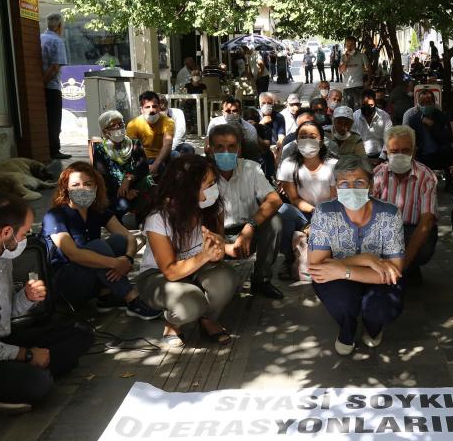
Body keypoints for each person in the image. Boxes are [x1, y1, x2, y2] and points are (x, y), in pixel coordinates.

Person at [0, 196, 93, 412]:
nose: (25, 239)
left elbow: (4, 317)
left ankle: (19, 377)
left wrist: (26, 297)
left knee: (81, 333)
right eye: (24, 233)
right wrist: (26, 354)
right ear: (6, 232)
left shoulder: (2, 257)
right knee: (38, 384)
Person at [136, 155, 241, 346]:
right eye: (208, 184)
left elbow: (216, 246)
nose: (214, 188)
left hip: (198, 267)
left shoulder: (211, 208)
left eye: (213, 182)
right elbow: (170, 271)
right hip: (160, 275)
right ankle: (173, 321)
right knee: (189, 303)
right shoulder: (158, 218)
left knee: (227, 280)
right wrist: (204, 256)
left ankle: (208, 319)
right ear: (187, 189)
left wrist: (218, 251)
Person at [308, 155, 405, 356]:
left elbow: (394, 271)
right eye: (344, 183)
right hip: (346, 276)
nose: (351, 189)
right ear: (335, 188)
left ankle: (373, 327)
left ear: (370, 185)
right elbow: (317, 268)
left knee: (381, 307)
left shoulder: (389, 214)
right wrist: (366, 259)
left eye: (359, 182)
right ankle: (347, 329)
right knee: (342, 300)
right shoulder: (324, 212)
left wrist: (342, 269)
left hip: (365, 277)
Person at [41, 162, 161, 318]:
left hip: (90, 276)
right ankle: (132, 299)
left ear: (96, 187)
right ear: (66, 189)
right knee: (97, 246)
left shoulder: (98, 210)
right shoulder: (55, 216)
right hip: (66, 283)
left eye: (88, 184)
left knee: (119, 241)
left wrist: (127, 258)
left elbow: (129, 237)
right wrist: (115, 264)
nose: (82, 189)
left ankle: (105, 296)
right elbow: (73, 254)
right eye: (76, 185)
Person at [206, 125, 284, 299]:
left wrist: (250, 227)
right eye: (219, 147)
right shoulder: (202, 172)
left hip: (248, 232)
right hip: (213, 233)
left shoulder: (251, 168)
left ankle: (261, 280)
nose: (226, 151)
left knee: (275, 221)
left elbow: (275, 200)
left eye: (232, 146)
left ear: (240, 148)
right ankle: (211, 277)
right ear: (209, 149)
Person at [371, 126, 438, 285]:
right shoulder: (378, 174)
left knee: (425, 242)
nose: (400, 155)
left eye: (405, 150)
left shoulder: (426, 176)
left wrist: (403, 264)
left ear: (414, 151)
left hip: (412, 229)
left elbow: (427, 220)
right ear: (386, 151)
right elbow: (368, 214)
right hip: (384, 229)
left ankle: (409, 265)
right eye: (394, 151)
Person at [276, 120, 338, 278]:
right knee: (283, 211)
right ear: (296, 142)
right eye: (303, 136)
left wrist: (320, 218)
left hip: (332, 213)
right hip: (305, 213)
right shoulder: (288, 165)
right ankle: (289, 260)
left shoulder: (333, 165)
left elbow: (335, 198)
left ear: (321, 141)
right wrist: (312, 213)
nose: (308, 140)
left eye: (313, 136)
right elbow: (294, 199)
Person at [92, 110, 153, 225]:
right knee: (121, 205)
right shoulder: (100, 150)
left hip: (135, 184)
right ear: (105, 131)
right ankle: (116, 226)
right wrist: (125, 191)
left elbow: (143, 167)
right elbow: (103, 177)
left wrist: (128, 180)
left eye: (120, 124)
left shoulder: (134, 144)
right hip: (114, 190)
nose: (118, 127)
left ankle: (145, 225)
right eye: (113, 125)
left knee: (150, 194)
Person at [403, 90, 453, 190]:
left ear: (434, 103)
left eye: (429, 103)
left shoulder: (441, 116)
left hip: (439, 152)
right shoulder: (413, 119)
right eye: (422, 103)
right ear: (418, 104)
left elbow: (448, 138)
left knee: (449, 151)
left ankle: (449, 184)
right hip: (422, 153)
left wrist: (432, 126)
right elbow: (411, 139)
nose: (426, 106)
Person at [40, 12, 70, 159]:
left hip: (43, 86)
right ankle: (54, 150)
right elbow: (55, 67)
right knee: (54, 120)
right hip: (51, 87)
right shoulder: (57, 41)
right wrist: (43, 83)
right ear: (59, 26)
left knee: (44, 119)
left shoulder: (40, 38)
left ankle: (46, 148)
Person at [126, 91, 175, 175]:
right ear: (141, 110)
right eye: (147, 107)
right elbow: (132, 151)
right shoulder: (133, 125)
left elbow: (167, 145)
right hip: (144, 158)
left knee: (179, 154)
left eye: (154, 106)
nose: (151, 110)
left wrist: (156, 164)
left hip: (162, 156)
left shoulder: (168, 121)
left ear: (159, 107)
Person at [353, 89, 394, 160]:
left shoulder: (384, 116)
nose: (367, 108)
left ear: (376, 102)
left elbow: (389, 138)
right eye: (363, 105)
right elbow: (352, 139)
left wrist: (382, 157)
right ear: (359, 104)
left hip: (381, 156)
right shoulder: (354, 117)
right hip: (360, 158)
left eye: (371, 105)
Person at [339, 36, 372, 107]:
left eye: (352, 45)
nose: (349, 47)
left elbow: (369, 69)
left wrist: (368, 81)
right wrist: (346, 60)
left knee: (359, 108)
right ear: (345, 45)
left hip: (359, 86)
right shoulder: (342, 57)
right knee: (348, 109)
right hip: (347, 87)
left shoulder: (362, 56)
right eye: (348, 45)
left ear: (355, 45)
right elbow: (341, 71)